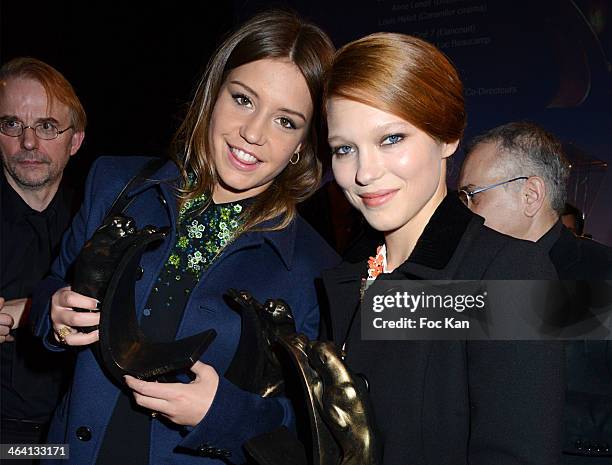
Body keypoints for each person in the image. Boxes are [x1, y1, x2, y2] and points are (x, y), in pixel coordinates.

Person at [29, 10, 338, 465]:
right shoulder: (115, 183)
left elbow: (309, 424)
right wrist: (52, 313)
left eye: (286, 121)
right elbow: (51, 284)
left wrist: (224, 414)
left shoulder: (315, 268)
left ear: (304, 145)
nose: (253, 133)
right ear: (214, 95)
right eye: (243, 99)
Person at [322, 33, 564, 465]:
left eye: (391, 139)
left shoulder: (508, 274)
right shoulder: (344, 273)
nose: (364, 173)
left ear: (448, 137)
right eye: (345, 149)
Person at [458, 121, 612, 464]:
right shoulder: (467, 277)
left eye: (472, 196)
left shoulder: (601, 277)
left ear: (530, 195)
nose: (463, 214)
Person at [0, 57, 85, 458]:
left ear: (75, 140)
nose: (29, 142)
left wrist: (28, 309)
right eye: (12, 124)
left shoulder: (100, 222)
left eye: (47, 127)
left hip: (76, 437)